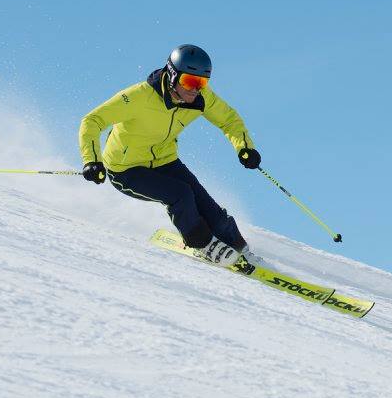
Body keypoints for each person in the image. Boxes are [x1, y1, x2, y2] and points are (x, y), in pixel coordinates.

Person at [79, 44, 264, 266]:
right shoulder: (139, 97)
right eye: (189, 81)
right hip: (126, 169)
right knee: (180, 194)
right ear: (173, 75)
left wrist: (244, 147)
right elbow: (92, 121)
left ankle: (237, 246)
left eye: (201, 83)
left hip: (165, 160)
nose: (195, 89)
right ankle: (202, 244)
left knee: (207, 205)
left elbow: (229, 119)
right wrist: (92, 160)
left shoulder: (201, 99)